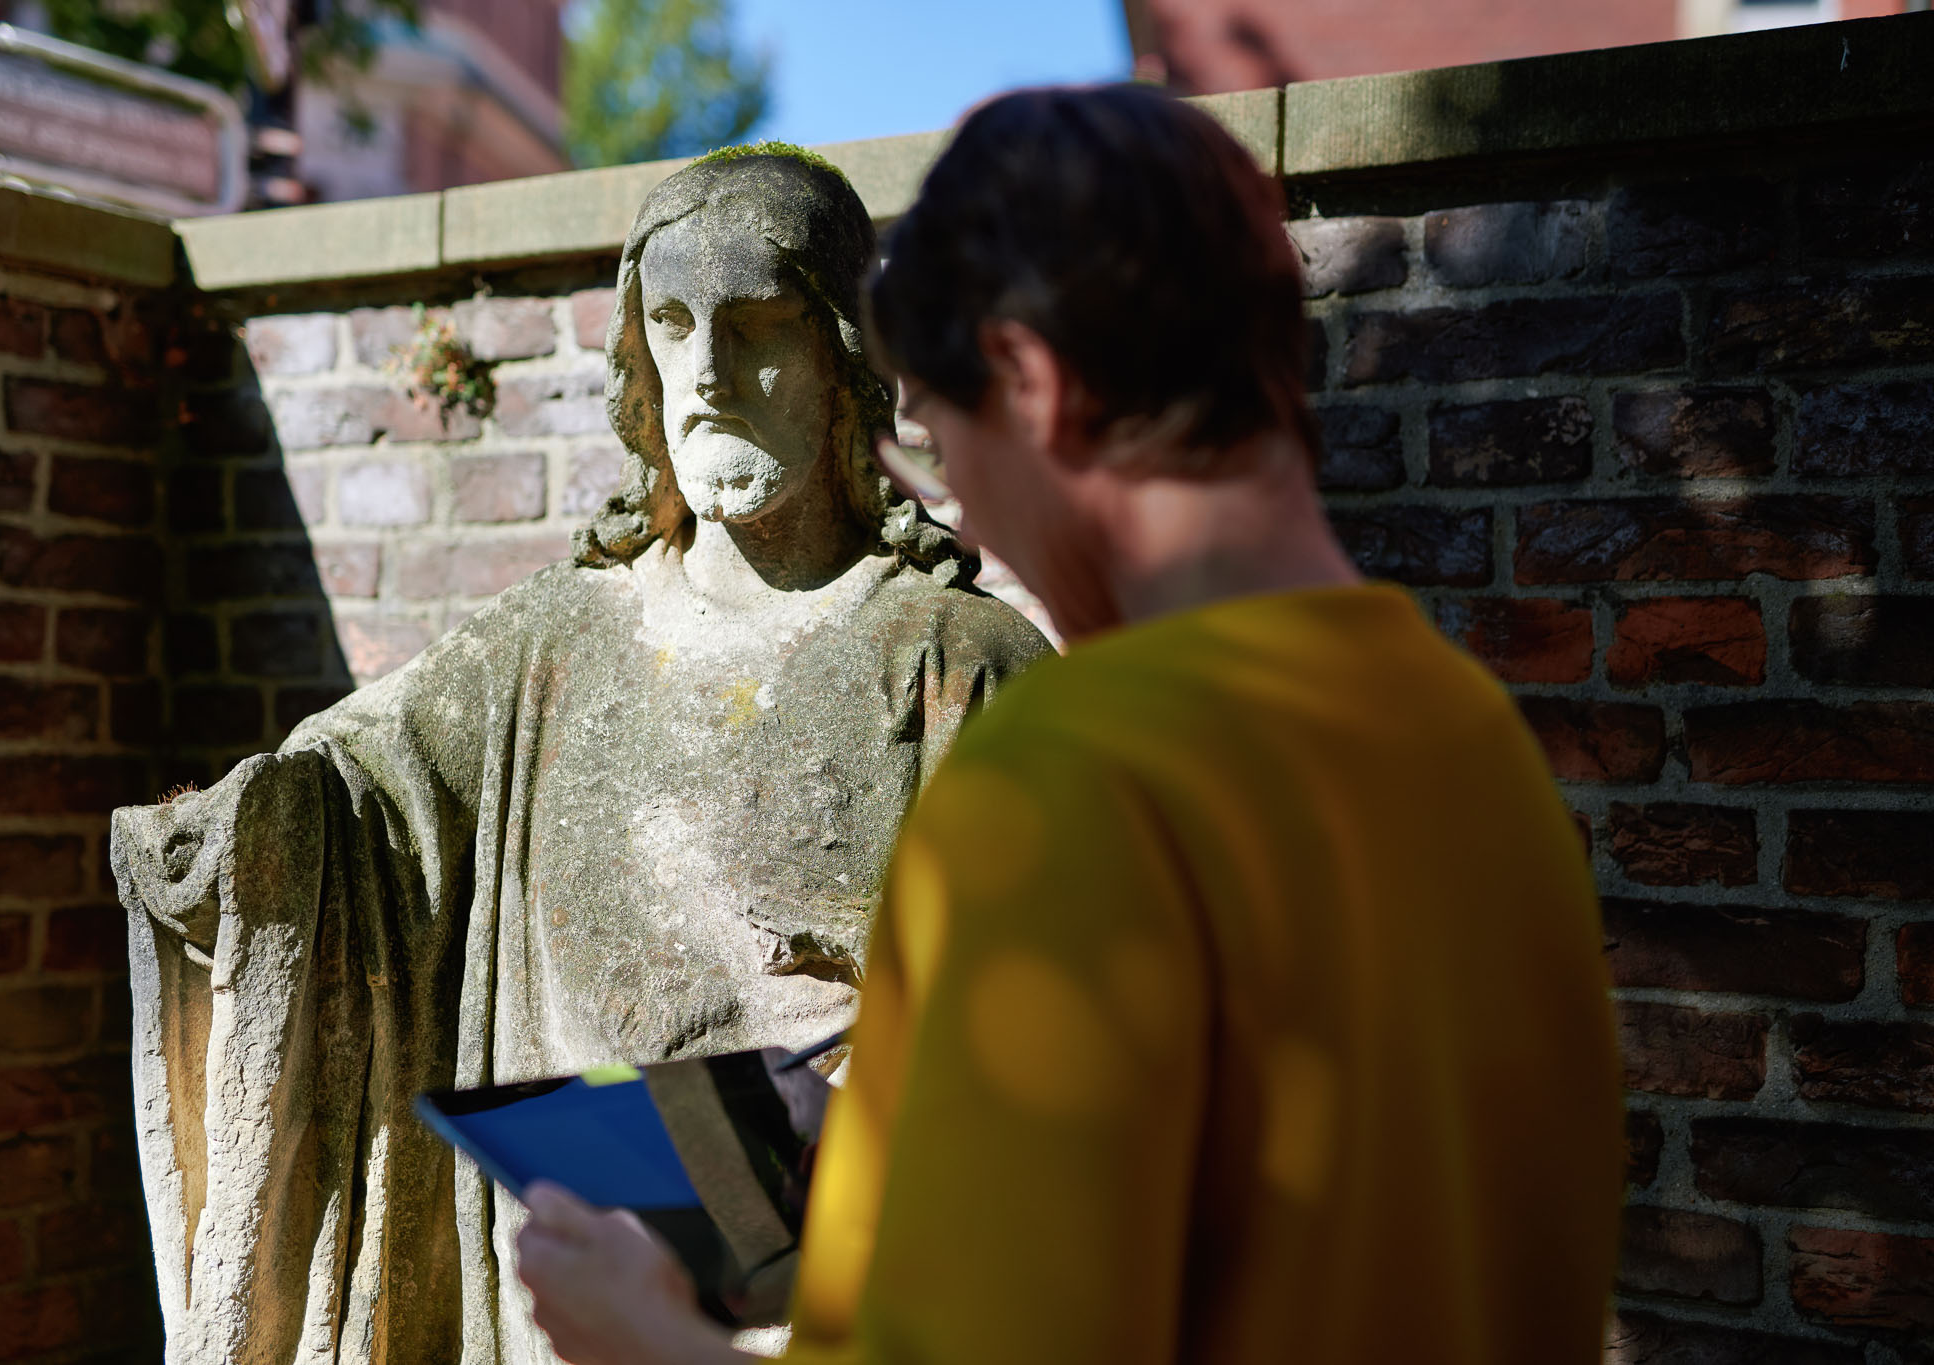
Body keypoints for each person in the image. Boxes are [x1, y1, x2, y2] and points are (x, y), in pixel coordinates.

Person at [514, 85, 1622, 1365]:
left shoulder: (1068, 788)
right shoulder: (1473, 740)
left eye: (943, 436)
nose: (957, 514)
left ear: (1034, 386)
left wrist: (648, 1338)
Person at [110, 149, 1047, 1365]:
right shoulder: (552, 641)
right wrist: (241, 834)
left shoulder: (958, 662)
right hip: (558, 1289)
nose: (707, 371)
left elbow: (1046, 1048)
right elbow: (356, 794)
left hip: (841, 1302)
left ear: (845, 360)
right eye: (670, 324)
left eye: (757, 325)